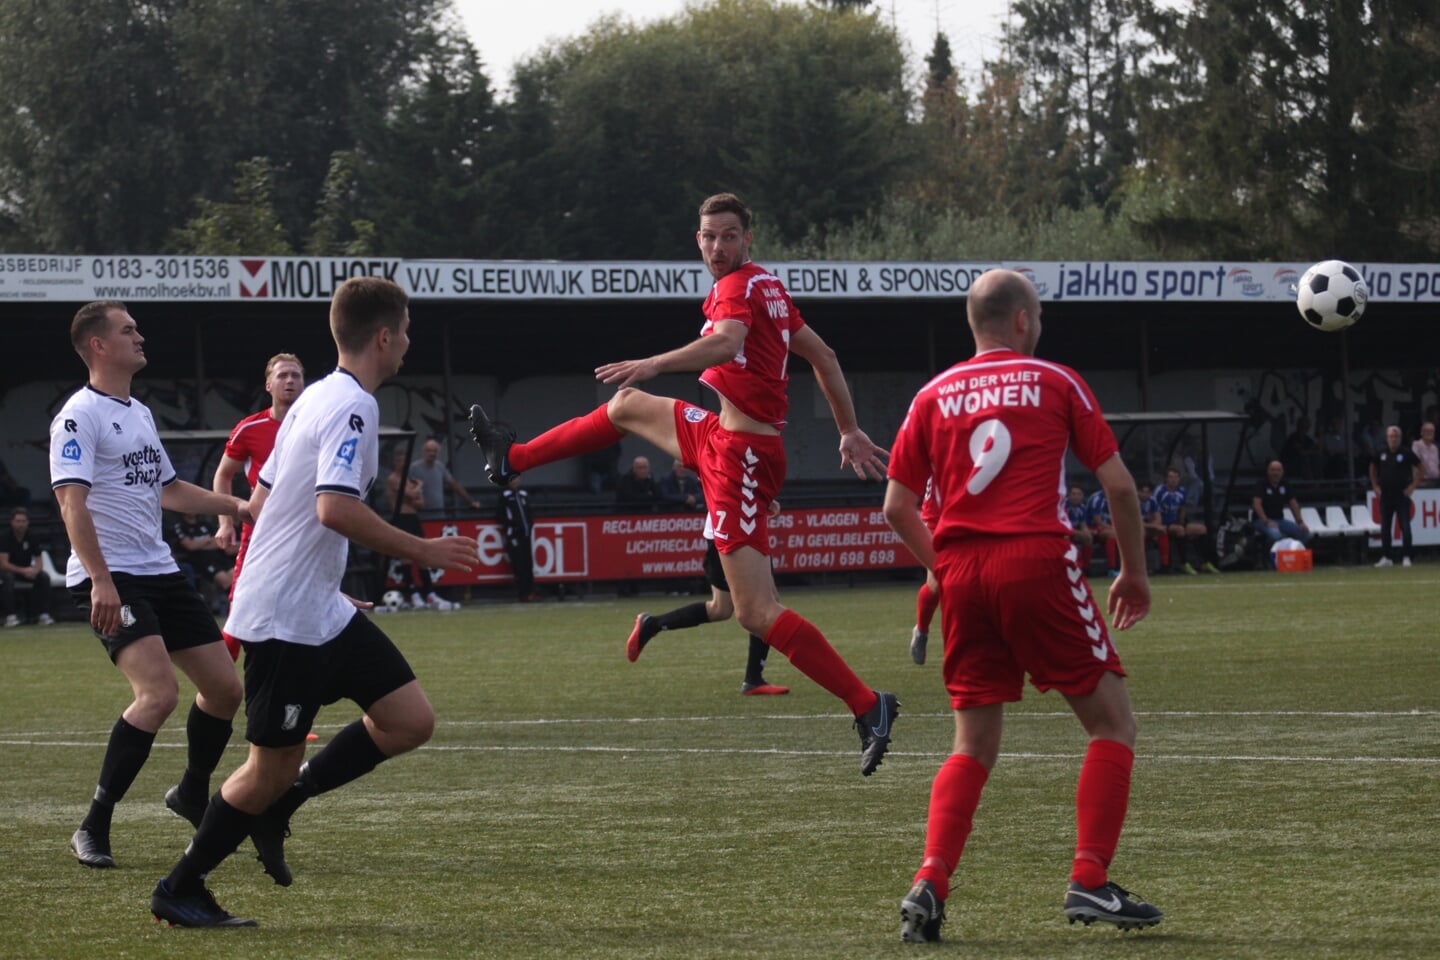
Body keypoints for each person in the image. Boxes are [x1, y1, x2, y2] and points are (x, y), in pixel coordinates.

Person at [470, 192, 898, 776]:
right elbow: (822, 354)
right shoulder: (768, 287)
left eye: (728, 236)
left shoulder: (738, 289)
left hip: (742, 457)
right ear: (697, 239)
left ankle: (870, 706)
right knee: (625, 406)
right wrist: (847, 429)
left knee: (754, 611)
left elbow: (726, 342)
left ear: (748, 239)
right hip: (723, 438)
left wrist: (653, 361)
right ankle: (512, 457)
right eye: (707, 236)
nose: (717, 247)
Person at [149, 277, 479, 927]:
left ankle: (283, 806)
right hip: (287, 618)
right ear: (384, 337)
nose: (409, 343)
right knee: (264, 769)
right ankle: (179, 887)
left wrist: (319, 580)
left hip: (315, 607)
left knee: (409, 720)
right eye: (406, 332)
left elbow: (269, 499)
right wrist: (424, 550)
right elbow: (333, 508)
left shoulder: (318, 397)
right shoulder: (351, 406)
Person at [882, 269, 1161, 943]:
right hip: (1035, 560)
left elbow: (895, 506)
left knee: (972, 743)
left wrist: (941, 567)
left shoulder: (931, 394)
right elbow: (1119, 489)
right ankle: (1090, 880)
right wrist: (1132, 572)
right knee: (1112, 725)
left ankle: (930, 881)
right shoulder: (1056, 381)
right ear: (1023, 322)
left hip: (963, 574)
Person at [49, 300, 250, 870]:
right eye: (128, 330)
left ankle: (190, 792)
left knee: (225, 690)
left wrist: (240, 505)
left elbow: (170, 490)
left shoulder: (137, 411)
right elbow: (71, 503)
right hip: (113, 577)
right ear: (98, 345)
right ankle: (94, 824)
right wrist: (101, 580)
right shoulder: (77, 415)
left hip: (159, 570)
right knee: (158, 694)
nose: (140, 336)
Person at [627, 498, 789, 695]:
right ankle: (753, 679)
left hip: (732, 526)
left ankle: (652, 624)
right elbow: (731, 477)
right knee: (765, 603)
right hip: (733, 528)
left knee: (721, 609)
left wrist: (763, 499)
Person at [213, 353, 305, 659]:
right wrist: (226, 523)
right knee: (241, 607)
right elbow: (223, 476)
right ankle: (218, 688)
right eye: (283, 375)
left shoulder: (316, 426)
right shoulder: (249, 429)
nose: (290, 381)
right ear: (268, 384)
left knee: (308, 608)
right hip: (260, 532)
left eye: (296, 375)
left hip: (305, 531)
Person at [381, 443, 455, 610]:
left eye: (404, 460)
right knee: (406, 556)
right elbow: (411, 495)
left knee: (422, 555)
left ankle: (429, 593)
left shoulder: (408, 480)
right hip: (401, 518)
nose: (402, 463)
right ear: (394, 462)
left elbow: (420, 503)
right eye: (399, 460)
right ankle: (413, 594)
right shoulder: (393, 479)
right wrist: (419, 487)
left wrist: (415, 493)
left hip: (414, 517)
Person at [1370, 425, 1420, 568]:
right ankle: (1387, 557)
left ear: (1400, 438)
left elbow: (1420, 468)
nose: (1393, 439)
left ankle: (1407, 556)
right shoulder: (1381, 452)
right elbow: (1372, 466)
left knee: (1404, 526)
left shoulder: (1406, 452)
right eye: (1391, 436)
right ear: (1387, 438)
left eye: (1396, 436)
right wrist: (1375, 485)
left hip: (1401, 495)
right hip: (1385, 495)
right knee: (1385, 527)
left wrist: (1412, 486)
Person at [0, 505, 54, 626]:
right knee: (8, 578)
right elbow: (3, 564)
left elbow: (39, 559)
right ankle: (11, 616)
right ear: (12, 522)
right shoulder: (5, 538)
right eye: (18, 521)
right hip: (8, 571)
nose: (21, 524)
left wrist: (35, 570)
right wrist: (23, 570)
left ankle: (43, 615)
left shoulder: (32, 536)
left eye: (23, 521)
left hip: (25, 571)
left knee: (43, 577)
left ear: (28, 522)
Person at [1156, 467, 1217, 574]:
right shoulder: (1160, 491)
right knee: (1180, 530)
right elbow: (1154, 508)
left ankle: (1204, 562)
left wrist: (1181, 520)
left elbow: (1182, 508)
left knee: (1202, 529)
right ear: (1166, 479)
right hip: (1163, 524)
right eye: (1171, 477)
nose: (1173, 480)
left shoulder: (1181, 491)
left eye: (1176, 477)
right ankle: (1184, 563)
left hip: (1176, 523)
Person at [171, 512, 236, 602]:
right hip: (200, 560)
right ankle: (232, 605)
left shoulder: (205, 525)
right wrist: (208, 540)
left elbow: (219, 542)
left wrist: (199, 543)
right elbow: (190, 546)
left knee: (235, 578)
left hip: (217, 556)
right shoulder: (181, 526)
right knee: (225, 580)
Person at [1250, 460, 1312, 550]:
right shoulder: (1261, 484)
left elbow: (1293, 503)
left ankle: (1291, 554)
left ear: (1282, 472)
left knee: (1306, 534)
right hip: (1261, 521)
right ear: (1268, 471)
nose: (1276, 473)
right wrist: (1266, 521)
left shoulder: (1285, 484)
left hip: (1280, 520)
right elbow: (1256, 504)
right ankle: (1269, 555)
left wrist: (1300, 522)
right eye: (1273, 470)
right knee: (1275, 535)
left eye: (1278, 470)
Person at [409, 438, 479, 513]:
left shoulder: (440, 467)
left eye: (434, 451)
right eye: (429, 450)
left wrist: (471, 501)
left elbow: (454, 485)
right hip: (421, 514)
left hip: (439, 514)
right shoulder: (414, 468)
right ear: (423, 452)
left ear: (438, 453)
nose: (432, 453)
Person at [499, 476, 537, 602]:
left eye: (516, 479)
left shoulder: (523, 494)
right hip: (514, 535)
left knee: (528, 563)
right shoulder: (505, 496)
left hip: (526, 535)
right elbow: (500, 515)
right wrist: (512, 526)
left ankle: (531, 592)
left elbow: (529, 513)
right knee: (518, 564)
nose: (514, 482)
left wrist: (529, 526)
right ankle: (522, 593)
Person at [1085, 487, 1119, 575]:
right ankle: (1112, 568)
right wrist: (1114, 528)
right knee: (1113, 534)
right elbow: (1098, 522)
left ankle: (1126, 568)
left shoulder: (1117, 498)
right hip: (1093, 527)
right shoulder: (1097, 499)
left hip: (1106, 528)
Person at [1279, 415, 1321, 480]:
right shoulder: (1293, 438)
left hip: (1301, 466)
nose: (1305, 428)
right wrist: (1310, 452)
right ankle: (1311, 483)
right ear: (1299, 426)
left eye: (1307, 426)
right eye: (1303, 426)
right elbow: (1302, 453)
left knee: (1315, 458)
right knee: (1305, 459)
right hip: (1290, 465)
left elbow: (1317, 450)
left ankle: (1318, 481)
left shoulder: (1308, 439)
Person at [1064, 484, 1094, 573]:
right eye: (1073, 494)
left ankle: (1085, 568)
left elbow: (1083, 525)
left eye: (1079, 494)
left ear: (1082, 496)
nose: (1076, 497)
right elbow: (1063, 525)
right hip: (1062, 531)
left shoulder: (1082, 508)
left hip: (1074, 531)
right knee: (1066, 537)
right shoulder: (1063, 506)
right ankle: (1067, 568)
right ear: (1069, 495)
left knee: (1088, 538)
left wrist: (1086, 533)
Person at [1412, 422, 1438, 488]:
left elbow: (1436, 466)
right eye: (1427, 431)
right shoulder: (1416, 445)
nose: (1430, 433)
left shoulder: (1435, 448)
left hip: (1435, 482)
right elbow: (1415, 464)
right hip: (1422, 482)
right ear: (1421, 433)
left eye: (1432, 431)